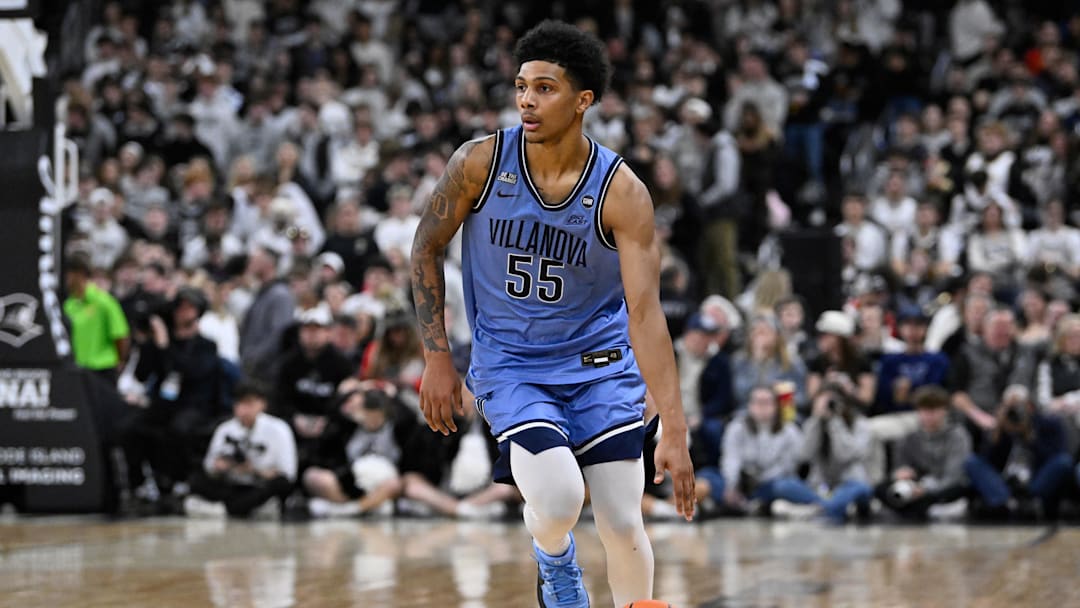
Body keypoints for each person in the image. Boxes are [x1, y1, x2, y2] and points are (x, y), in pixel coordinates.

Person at [409, 21, 694, 608]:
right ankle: (554, 558)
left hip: (602, 364)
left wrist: (675, 427)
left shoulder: (622, 191)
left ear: (583, 99)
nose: (526, 101)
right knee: (561, 501)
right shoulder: (480, 164)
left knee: (620, 518)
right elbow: (426, 246)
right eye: (521, 86)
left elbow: (645, 313)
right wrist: (437, 358)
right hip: (513, 365)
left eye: (545, 88)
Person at [184, 381, 297, 518]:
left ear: (262, 404)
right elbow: (209, 466)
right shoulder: (225, 429)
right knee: (196, 480)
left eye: (249, 404)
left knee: (280, 485)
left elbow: (288, 474)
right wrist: (220, 466)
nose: (243, 409)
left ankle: (227, 509)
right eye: (239, 403)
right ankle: (243, 508)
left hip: (259, 485)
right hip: (233, 484)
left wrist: (253, 470)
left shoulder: (279, 429)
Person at [964, 385, 1074, 520]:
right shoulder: (998, 425)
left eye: (1019, 406)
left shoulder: (1049, 423)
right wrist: (998, 433)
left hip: (1036, 478)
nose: (1015, 411)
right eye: (1011, 406)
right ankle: (1005, 501)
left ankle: (1032, 500)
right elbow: (988, 461)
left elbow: (1056, 458)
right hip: (1004, 480)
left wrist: (1031, 438)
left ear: (1030, 406)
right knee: (972, 462)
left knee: (1064, 462)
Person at [876, 385, 972, 520]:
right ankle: (915, 508)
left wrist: (926, 489)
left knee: (959, 487)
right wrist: (901, 473)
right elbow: (900, 464)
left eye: (934, 410)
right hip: (915, 484)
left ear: (944, 410)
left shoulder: (957, 435)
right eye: (924, 410)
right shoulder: (910, 436)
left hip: (944, 484)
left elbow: (954, 475)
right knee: (881, 488)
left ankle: (932, 507)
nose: (929, 416)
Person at [63, 252, 131, 384]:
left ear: (79, 274)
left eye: (68, 275)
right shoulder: (68, 305)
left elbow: (121, 335)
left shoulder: (105, 302)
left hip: (103, 370)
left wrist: (120, 361)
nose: (66, 280)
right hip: (77, 370)